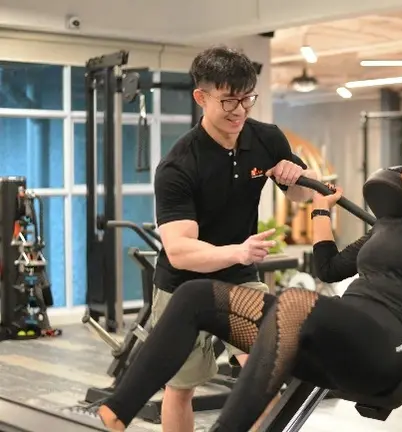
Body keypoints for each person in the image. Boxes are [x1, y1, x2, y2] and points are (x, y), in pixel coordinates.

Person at [75, 129, 402, 431]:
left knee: (293, 303)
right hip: (335, 339)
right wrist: (321, 211)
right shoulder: (391, 225)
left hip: (385, 348)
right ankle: (118, 411)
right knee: (196, 292)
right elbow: (329, 268)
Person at [124, 46, 316, 431]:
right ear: (201, 97)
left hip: (239, 278)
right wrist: (238, 251)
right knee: (181, 387)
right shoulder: (179, 165)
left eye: (247, 99)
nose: (240, 110)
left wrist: (297, 177)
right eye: (229, 100)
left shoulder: (266, 138)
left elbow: (304, 195)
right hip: (183, 285)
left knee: (265, 376)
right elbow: (180, 251)